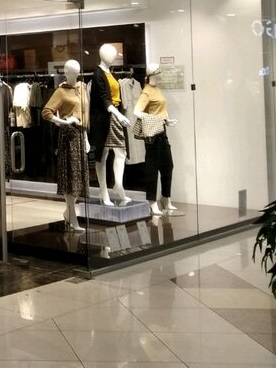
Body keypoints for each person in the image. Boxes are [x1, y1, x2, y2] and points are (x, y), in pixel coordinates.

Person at [41, 59, 88, 231]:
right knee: (71, 179)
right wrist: (63, 122)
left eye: (76, 71)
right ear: (66, 73)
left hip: (80, 135)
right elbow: (46, 112)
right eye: (70, 71)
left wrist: (86, 138)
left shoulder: (83, 88)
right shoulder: (61, 91)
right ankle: (72, 217)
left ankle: (68, 213)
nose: (74, 74)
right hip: (68, 136)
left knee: (80, 179)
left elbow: (85, 114)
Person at [134, 63, 178, 216]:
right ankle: (152, 202)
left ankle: (165, 197)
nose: (161, 74)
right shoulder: (146, 92)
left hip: (161, 131)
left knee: (168, 166)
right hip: (152, 133)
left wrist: (166, 121)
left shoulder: (157, 89)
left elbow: (160, 110)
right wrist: (154, 120)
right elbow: (136, 111)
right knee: (152, 168)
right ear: (153, 74)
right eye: (159, 72)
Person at [90, 43, 131, 206]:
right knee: (103, 153)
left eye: (114, 54)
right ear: (102, 55)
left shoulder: (110, 73)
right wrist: (118, 115)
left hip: (114, 115)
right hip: (105, 117)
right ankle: (104, 192)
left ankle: (118, 185)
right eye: (111, 54)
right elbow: (103, 98)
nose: (113, 57)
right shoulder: (97, 74)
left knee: (121, 151)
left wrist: (118, 114)